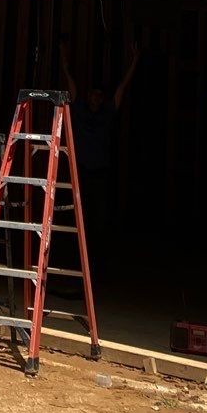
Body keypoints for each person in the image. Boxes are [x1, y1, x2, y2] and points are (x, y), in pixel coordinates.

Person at [60, 37, 142, 260]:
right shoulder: (79, 110)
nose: (95, 98)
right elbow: (71, 84)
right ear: (88, 97)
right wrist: (65, 65)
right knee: (79, 213)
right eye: (92, 94)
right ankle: (77, 253)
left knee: (99, 216)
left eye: (99, 95)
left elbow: (122, 88)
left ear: (101, 98)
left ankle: (97, 257)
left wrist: (134, 62)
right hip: (82, 171)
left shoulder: (107, 113)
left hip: (100, 172)